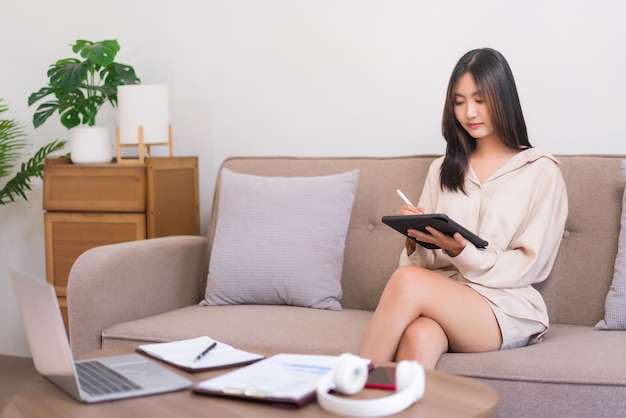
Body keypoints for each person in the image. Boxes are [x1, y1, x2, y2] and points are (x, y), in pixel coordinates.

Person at [359, 48, 568, 369]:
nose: (469, 112)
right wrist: (416, 238)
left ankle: (347, 384)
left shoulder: (540, 170)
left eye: (480, 100)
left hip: (504, 305)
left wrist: (463, 253)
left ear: (503, 98)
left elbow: (532, 264)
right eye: (459, 102)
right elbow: (423, 266)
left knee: (407, 281)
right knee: (419, 335)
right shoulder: (442, 169)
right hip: (446, 299)